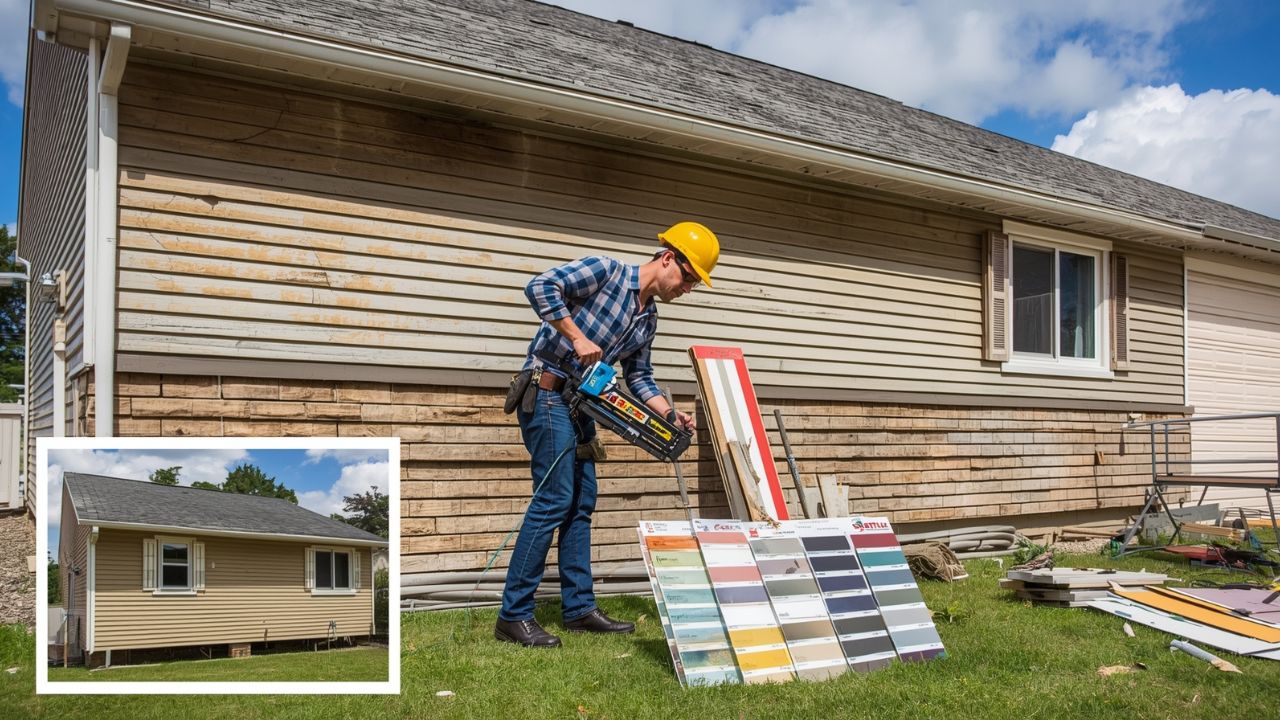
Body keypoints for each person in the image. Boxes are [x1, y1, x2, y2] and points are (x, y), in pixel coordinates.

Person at [495, 221, 721, 648]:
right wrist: (577, 337)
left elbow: (641, 377)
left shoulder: (647, 319)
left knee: (581, 503)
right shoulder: (606, 271)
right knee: (554, 499)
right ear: (668, 258)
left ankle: (579, 609)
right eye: (689, 277)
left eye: (695, 284)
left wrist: (669, 414)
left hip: (583, 404)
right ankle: (514, 615)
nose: (688, 289)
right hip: (546, 392)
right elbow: (540, 286)